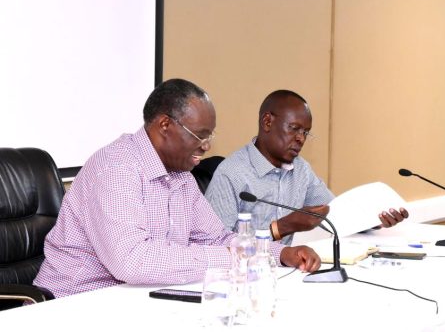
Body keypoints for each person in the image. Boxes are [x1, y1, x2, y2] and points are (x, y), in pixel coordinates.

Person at [33, 79, 320, 298]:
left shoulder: (181, 177)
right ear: (165, 125)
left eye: (210, 136)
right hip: (73, 304)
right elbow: (132, 261)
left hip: (134, 299)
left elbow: (216, 238)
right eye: (200, 135)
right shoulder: (116, 169)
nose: (206, 146)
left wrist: (276, 254)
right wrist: (234, 257)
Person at [205, 90, 409, 244]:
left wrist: (373, 221)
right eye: (294, 129)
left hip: (285, 271)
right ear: (267, 122)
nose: (301, 139)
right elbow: (213, 246)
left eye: (305, 132)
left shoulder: (300, 169)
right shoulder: (231, 174)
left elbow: (335, 214)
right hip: (241, 278)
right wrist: (280, 228)